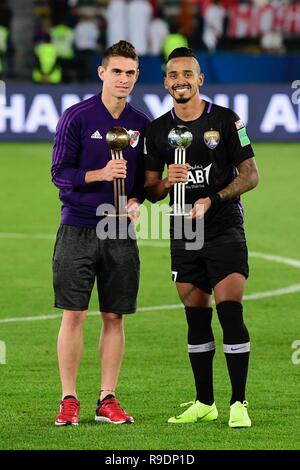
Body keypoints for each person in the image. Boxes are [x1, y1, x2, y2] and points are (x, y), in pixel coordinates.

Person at [144, 47, 259, 427]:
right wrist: (165, 181)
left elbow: (250, 175)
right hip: (183, 231)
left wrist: (213, 199)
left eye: (187, 74)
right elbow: (151, 190)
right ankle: (204, 402)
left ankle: (238, 403)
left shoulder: (226, 120)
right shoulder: (157, 130)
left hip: (224, 227)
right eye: (173, 75)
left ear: (200, 79)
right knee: (196, 319)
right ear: (165, 82)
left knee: (229, 312)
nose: (180, 81)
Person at [51, 40, 150, 426]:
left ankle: (107, 397)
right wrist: (100, 174)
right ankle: (69, 398)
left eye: (130, 73)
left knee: (114, 316)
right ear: (102, 73)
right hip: (77, 225)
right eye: (117, 71)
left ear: (136, 76)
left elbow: (144, 180)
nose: (124, 79)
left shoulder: (142, 124)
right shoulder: (77, 117)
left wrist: (138, 200)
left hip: (120, 230)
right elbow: (60, 174)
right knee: (74, 314)